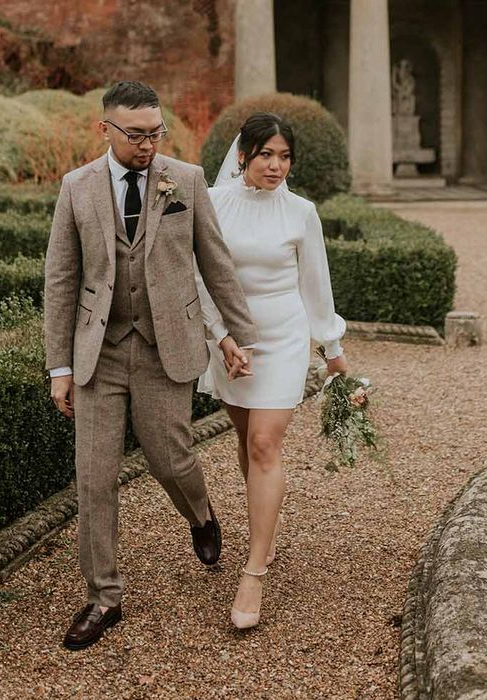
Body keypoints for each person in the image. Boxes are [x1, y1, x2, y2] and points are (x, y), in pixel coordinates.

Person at [44, 80, 257, 650]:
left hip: (167, 347)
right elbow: (61, 280)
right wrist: (58, 366)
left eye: (155, 132)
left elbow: (216, 262)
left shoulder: (184, 181)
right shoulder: (76, 187)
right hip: (100, 351)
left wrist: (238, 333)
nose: (147, 144)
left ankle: (200, 512)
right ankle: (103, 596)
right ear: (105, 129)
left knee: (171, 456)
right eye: (136, 134)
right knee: (94, 476)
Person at [196, 112, 348, 629]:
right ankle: (267, 524)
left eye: (285, 157)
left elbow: (315, 283)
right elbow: (200, 278)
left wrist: (332, 347)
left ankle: (254, 571)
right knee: (244, 438)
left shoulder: (301, 212)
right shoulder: (212, 204)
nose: (277, 165)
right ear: (243, 155)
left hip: (283, 336)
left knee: (264, 443)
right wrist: (221, 338)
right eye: (267, 155)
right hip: (230, 338)